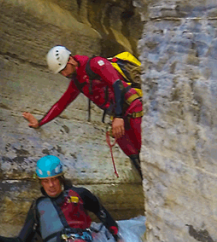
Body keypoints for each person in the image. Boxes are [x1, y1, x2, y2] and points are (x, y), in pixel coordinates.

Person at [22, 46, 144, 176]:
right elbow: (61, 104)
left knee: (145, 149)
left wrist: (119, 117)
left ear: (71, 60)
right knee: (131, 152)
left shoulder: (95, 64)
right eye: (60, 72)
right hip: (119, 115)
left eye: (64, 69)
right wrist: (39, 123)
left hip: (132, 107)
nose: (64, 74)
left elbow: (117, 84)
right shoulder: (77, 81)